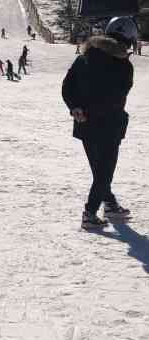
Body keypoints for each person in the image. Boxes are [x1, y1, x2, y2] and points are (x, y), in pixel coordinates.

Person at [62, 16, 136, 230]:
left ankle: (110, 204)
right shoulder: (123, 65)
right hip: (109, 125)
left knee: (99, 170)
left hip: (85, 123)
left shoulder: (84, 57)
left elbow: (67, 86)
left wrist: (76, 107)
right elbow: (119, 94)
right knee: (104, 172)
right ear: (129, 39)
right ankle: (90, 213)